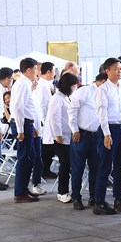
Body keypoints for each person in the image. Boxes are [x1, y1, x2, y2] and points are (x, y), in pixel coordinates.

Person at [94, 57, 121, 215]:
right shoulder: (102, 89)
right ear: (107, 71)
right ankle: (99, 202)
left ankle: (118, 199)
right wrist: (107, 133)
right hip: (109, 129)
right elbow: (101, 113)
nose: (119, 71)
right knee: (105, 166)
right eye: (115, 69)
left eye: (120, 68)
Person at [67, 72, 107, 209]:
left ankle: (93, 196)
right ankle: (76, 198)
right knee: (78, 168)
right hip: (82, 135)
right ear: (101, 81)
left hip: (97, 136)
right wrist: (75, 129)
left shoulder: (105, 94)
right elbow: (72, 110)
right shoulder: (85, 91)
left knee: (95, 169)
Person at [12, 58, 42, 203]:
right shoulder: (23, 83)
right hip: (23, 123)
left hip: (27, 123)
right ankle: (20, 192)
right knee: (24, 158)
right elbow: (18, 108)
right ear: (29, 70)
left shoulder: (25, 84)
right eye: (35, 69)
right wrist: (20, 130)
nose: (37, 73)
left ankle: (23, 188)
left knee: (30, 157)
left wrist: (33, 127)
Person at [47, 72, 78, 203]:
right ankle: (62, 191)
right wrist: (57, 134)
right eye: (74, 85)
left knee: (67, 164)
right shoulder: (57, 98)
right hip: (60, 137)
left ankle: (64, 190)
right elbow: (55, 118)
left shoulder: (65, 97)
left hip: (67, 136)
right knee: (65, 164)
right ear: (68, 86)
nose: (75, 88)